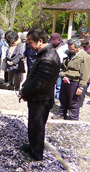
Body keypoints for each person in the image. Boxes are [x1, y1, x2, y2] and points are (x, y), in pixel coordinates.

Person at [19, 29, 61, 162]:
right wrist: (25, 87)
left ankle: (36, 154)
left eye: (30, 42)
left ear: (40, 41)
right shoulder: (43, 54)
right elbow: (33, 74)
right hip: (36, 97)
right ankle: (32, 147)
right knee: (33, 125)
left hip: (41, 99)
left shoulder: (48, 57)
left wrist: (25, 91)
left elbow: (39, 82)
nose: (29, 46)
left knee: (37, 127)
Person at [53, 38, 90, 120]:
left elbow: (86, 73)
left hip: (75, 82)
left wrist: (81, 87)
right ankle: (62, 113)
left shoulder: (85, 57)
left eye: (72, 49)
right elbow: (65, 66)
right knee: (63, 99)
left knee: (74, 101)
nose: (70, 50)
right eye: (69, 48)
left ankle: (73, 117)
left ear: (78, 47)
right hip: (66, 79)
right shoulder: (69, 54)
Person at [49, 33, 68, 100]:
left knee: (59, 85)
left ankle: (58, 97)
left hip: (60, 68)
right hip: (51, 67)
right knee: (50, 84)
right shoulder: (50, 46)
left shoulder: (65, 47)